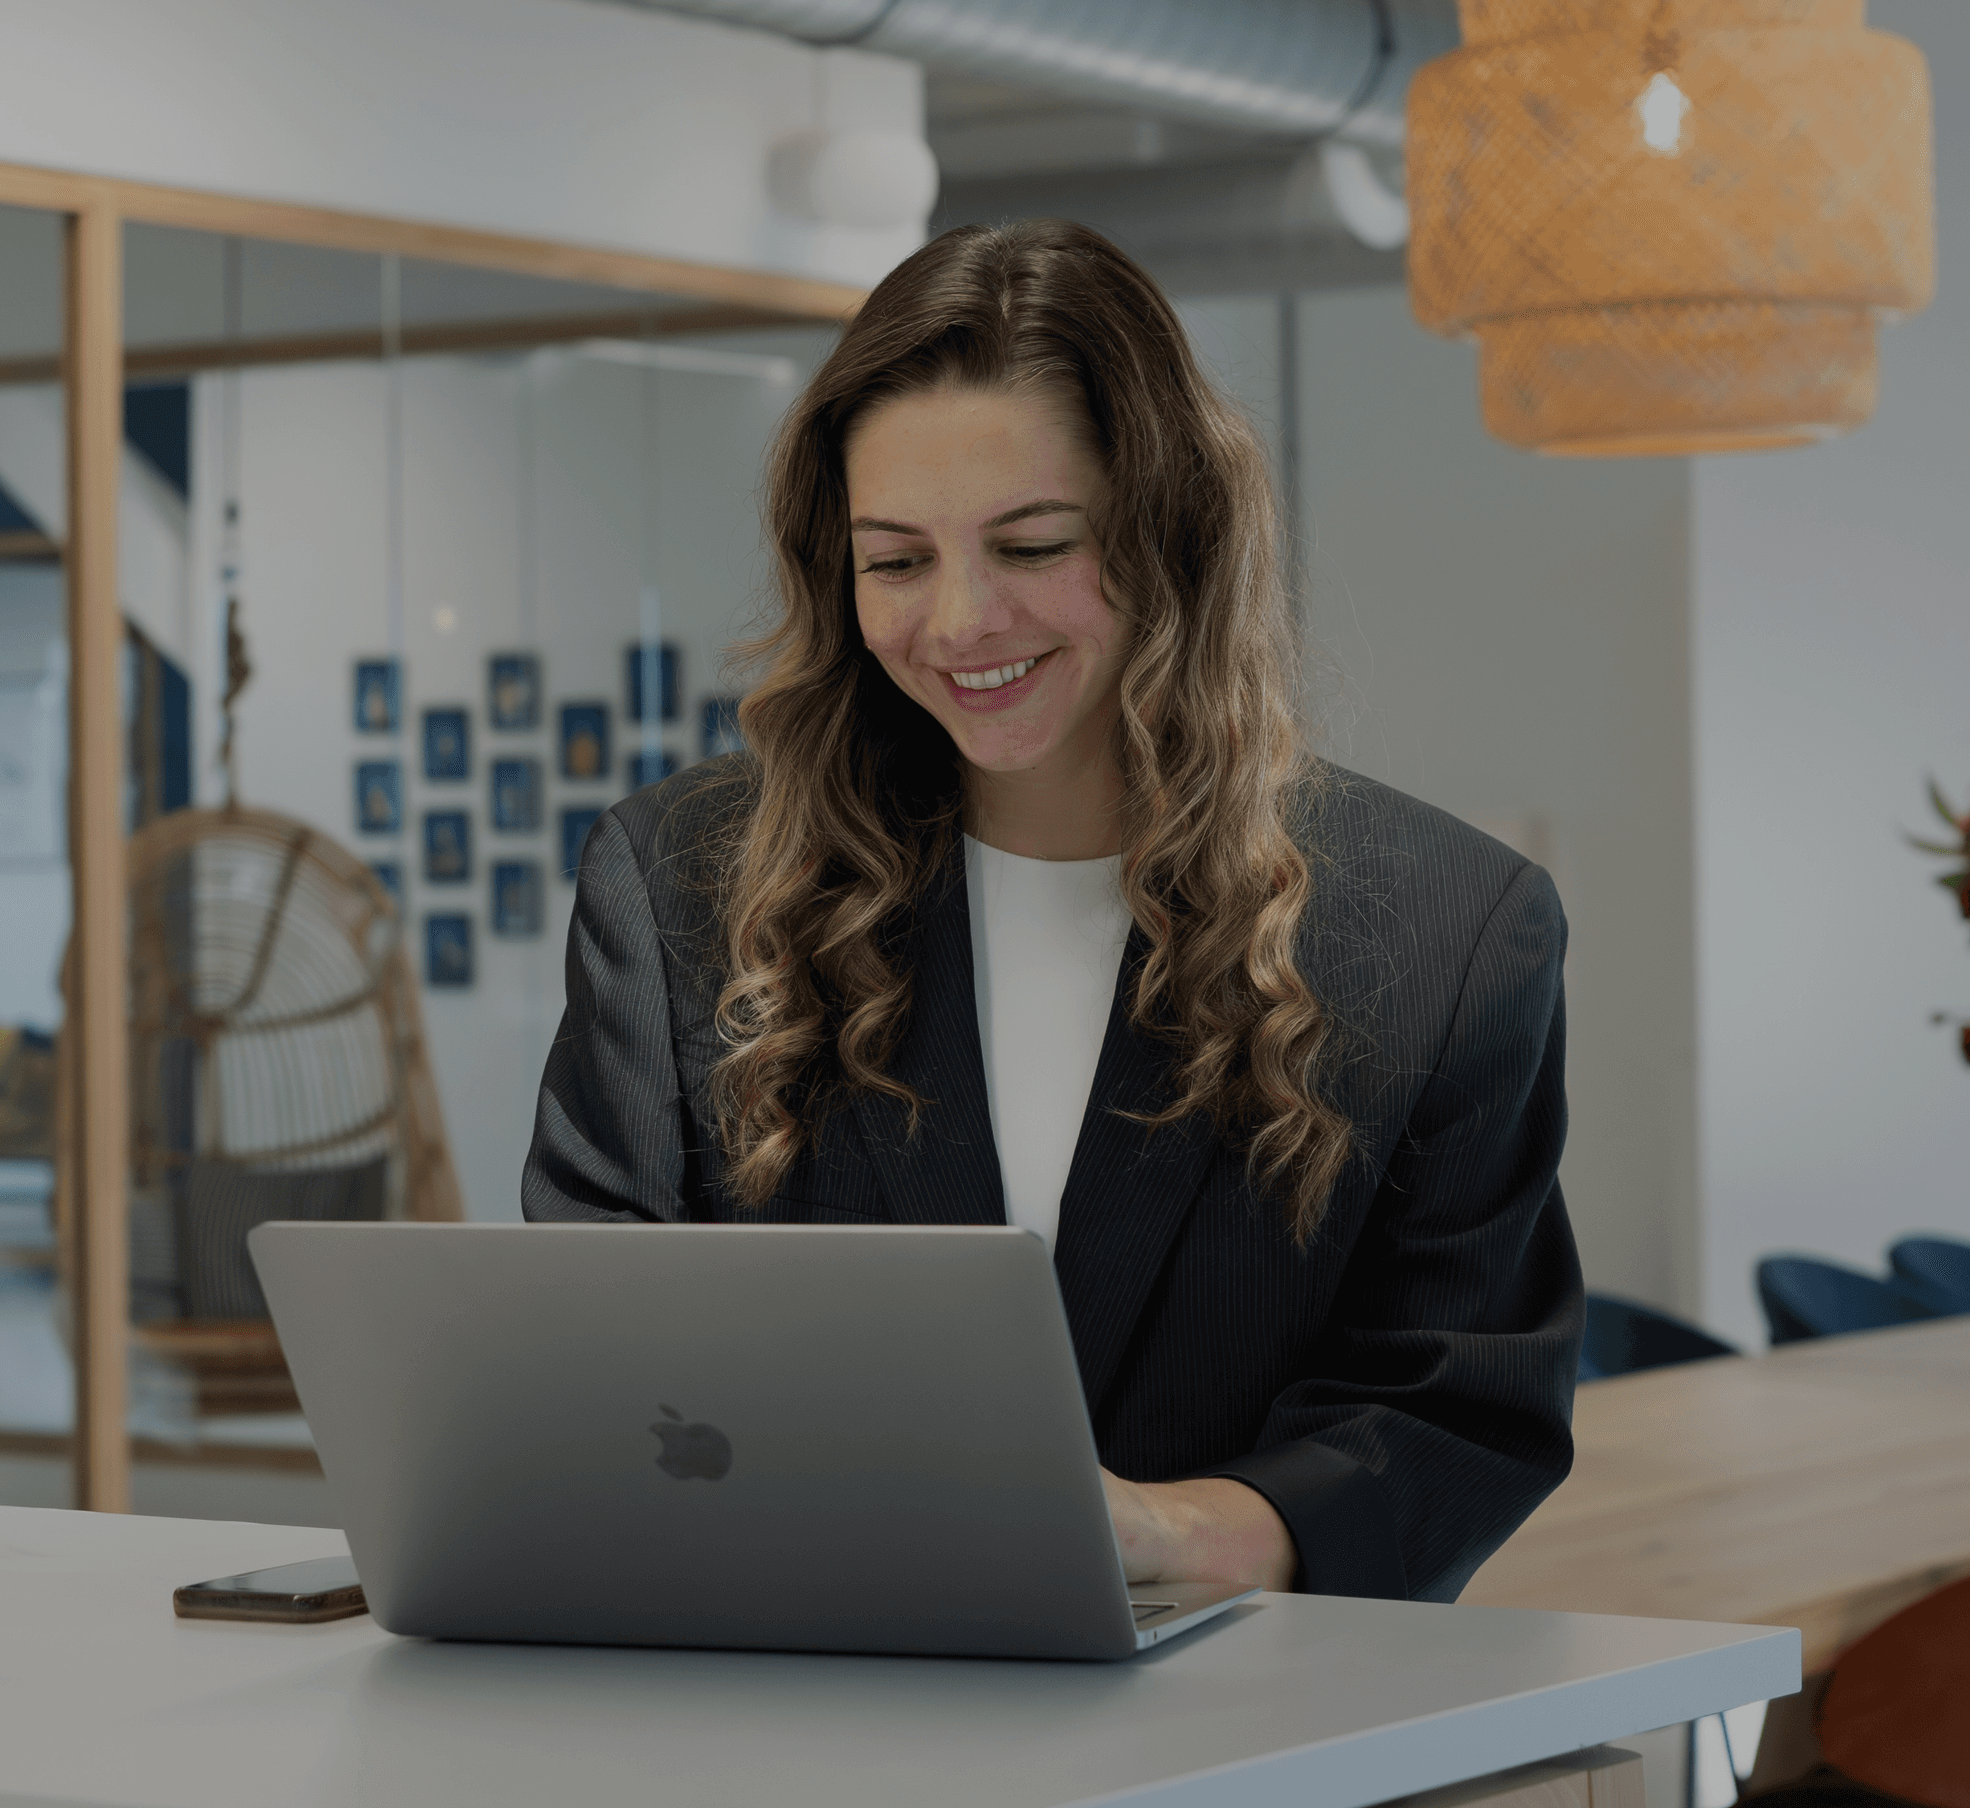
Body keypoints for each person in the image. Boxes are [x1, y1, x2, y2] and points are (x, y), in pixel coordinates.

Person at [523, 219, 1578, 1604]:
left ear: (1174, 536)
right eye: (895, 560)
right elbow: (594, 1357)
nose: (959, 620)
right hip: (792, 1703)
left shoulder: (1451, 930)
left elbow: (1460, 1408)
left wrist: (1176, 1534)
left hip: (1246, 1737)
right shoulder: (679, 884)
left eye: (1030, 544)